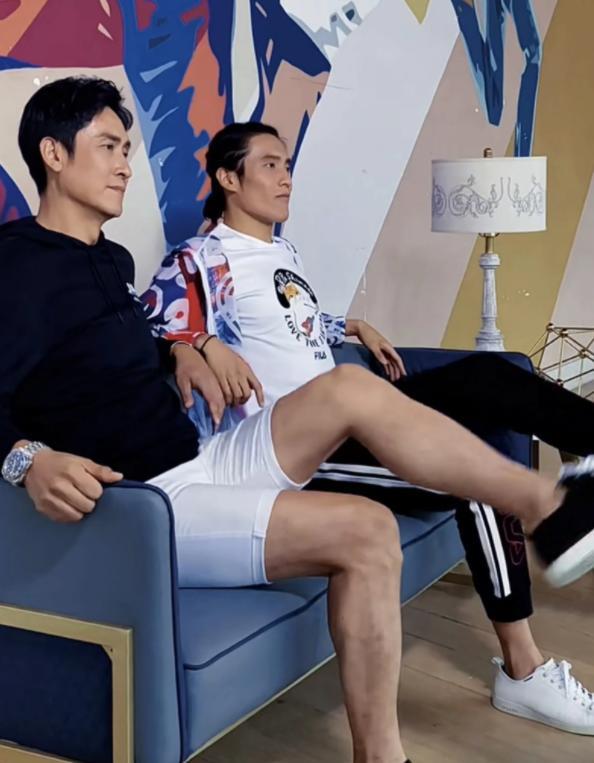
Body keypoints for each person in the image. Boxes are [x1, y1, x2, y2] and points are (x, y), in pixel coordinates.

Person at [2, 80, 593, 763]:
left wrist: (184, 348)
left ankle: (550, 507)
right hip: (148, 501)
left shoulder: (111, 258)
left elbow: (110, 346)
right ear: (53, 154)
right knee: (368, 532)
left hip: (200, 455)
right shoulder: (14, 265)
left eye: (126, 148)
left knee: (350, 385)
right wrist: (24, 456)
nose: (125, 165)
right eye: (108, 147)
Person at [144, 121, 594, 738]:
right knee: (477, 470)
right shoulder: (201, 258)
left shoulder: (282, 252)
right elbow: (146, 321)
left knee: (488, 373)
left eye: (287, 165)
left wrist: (348, 325)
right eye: (270, 164)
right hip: (299, 447)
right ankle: (523, 669)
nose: (285, 177)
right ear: (227, 177)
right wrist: (193, 343)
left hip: (353, 411)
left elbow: (290, 328)